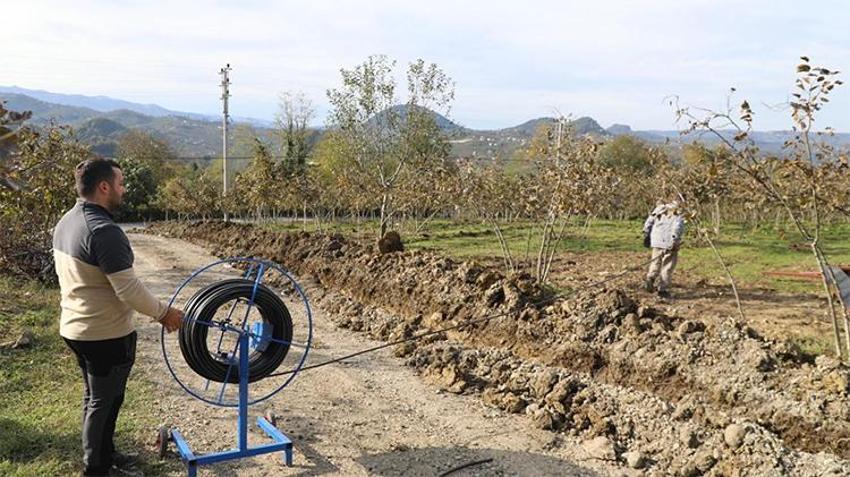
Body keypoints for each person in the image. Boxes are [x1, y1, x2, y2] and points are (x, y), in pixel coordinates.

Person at [53, 158, 183, 476]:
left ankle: (104, 454)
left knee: (98, 397)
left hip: (76, 327)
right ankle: (96, 469)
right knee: (103, 402)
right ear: (104, 187)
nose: (124, 190)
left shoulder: (67, 221)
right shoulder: (104, 231)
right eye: (121, 184)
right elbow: (129, 290)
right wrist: (165, 313)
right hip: (103, 333)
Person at [643, 202, 685, 298]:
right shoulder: (677, 213)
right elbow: (677, 227)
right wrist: (675, 240)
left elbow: (649, 221)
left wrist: (646, 233)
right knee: (668, 266)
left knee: (655, 262)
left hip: (656, 241)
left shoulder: (659, 209)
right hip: (669, 243)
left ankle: (650, 277)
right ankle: (663, 289)